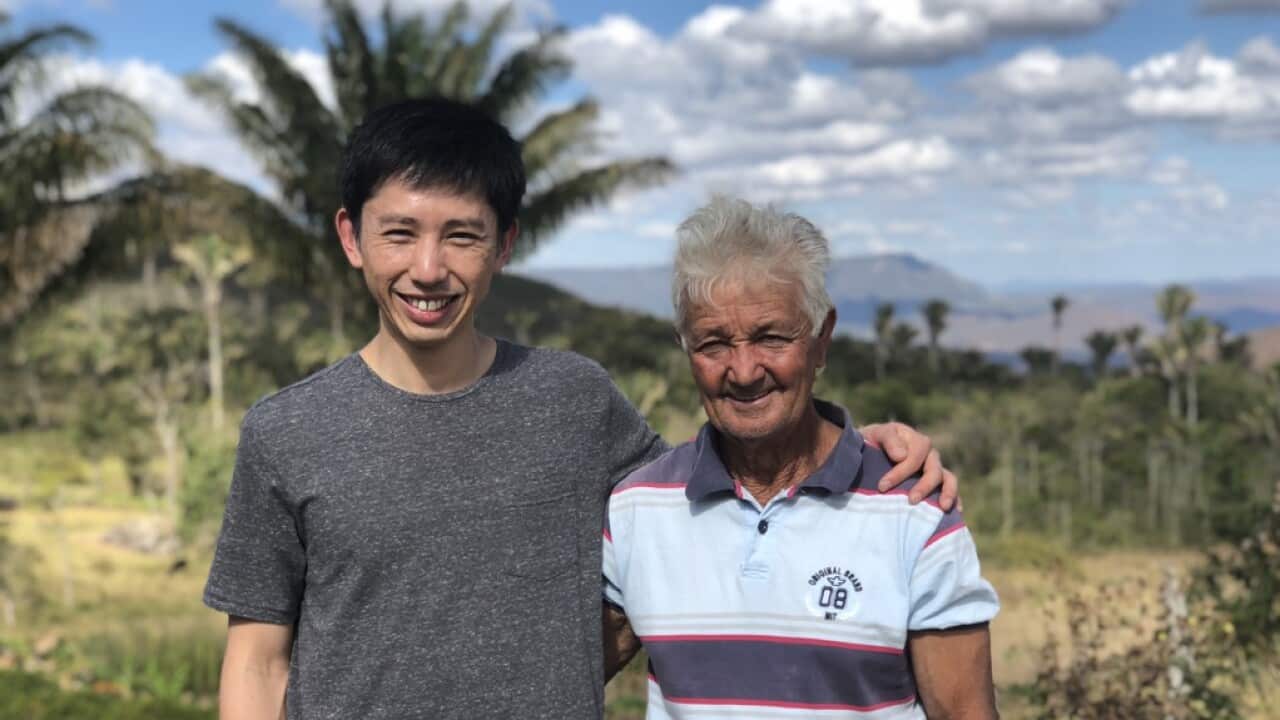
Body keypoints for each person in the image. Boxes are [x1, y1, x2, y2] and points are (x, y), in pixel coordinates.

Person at [204, 98, 960, 720]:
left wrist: (861, 447)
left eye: (461, 236)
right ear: (351, 237)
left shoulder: (573, 399)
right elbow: (258, 663)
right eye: (398, 233)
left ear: (504, 245)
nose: (427, 269)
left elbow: (717, 488)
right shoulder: (286, 431)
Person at [602, 196, 1000, 719]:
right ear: (685, 348)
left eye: (771, 338)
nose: (743, 371)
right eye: (713, 344)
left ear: (821, 339)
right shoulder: (637, 510)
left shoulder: (914, 508)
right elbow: (549, 678)